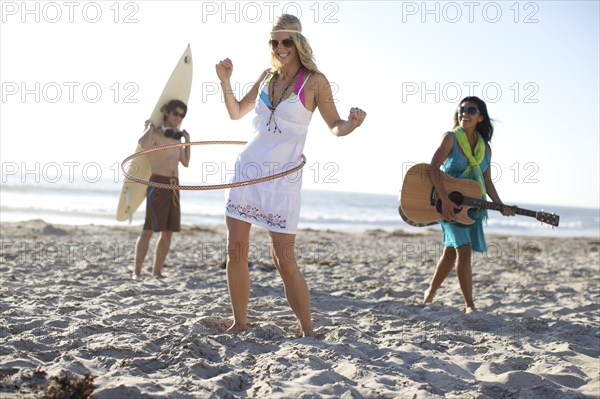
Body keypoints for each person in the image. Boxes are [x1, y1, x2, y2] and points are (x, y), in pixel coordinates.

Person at [215, 14, 366, 337]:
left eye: (286, 41)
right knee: (236, 250)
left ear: (298, 42)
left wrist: (351, 125)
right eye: (274, 42)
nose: (280, 48)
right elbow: (236, 111)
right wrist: (225, 81)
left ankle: (307, 329)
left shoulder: (315, 81)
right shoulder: (267, 76)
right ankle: (240, 323)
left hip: (283, 179)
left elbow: (335, 126)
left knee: (284, 259)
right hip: (248, 171)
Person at [424, 96, 514, 313]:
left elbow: (487, 180)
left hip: (473, 207)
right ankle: (469, 305)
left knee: (450, 254)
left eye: (471, 110)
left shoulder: (486, 149)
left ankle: (430, 291)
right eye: (461, 109)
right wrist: (445, 200)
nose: (464, 113)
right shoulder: (450, 139)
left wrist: (500, 205)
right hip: (446, 204)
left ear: (481, 117)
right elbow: (433, 167)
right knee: (464, 252)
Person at [132, 99, 191, 279]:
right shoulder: (155, 134)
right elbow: (142, 143)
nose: (178, 118)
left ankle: (157, 272)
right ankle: (137, 272)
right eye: (176, 114)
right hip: (158, 183)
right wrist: (150, 127)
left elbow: (186, 162)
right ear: (167, 113)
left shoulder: (177, 138)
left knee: (168, 232)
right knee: (148, 229)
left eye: (182, 115)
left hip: (174, 185)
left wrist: (187, 141)